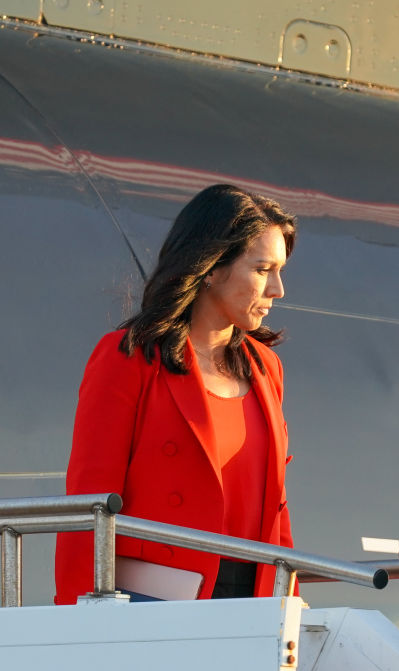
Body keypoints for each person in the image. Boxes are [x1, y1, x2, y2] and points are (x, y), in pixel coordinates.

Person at [54, 184, 297, 603]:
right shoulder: (128, 357)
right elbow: (88, 505)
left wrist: (287, 591)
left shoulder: (265, 368)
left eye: (280, 271)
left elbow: (277, 506)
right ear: (211, 267)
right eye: (262, 270)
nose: (278, 289)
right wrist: (79, 616)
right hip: (155, 603)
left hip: (254, 602)